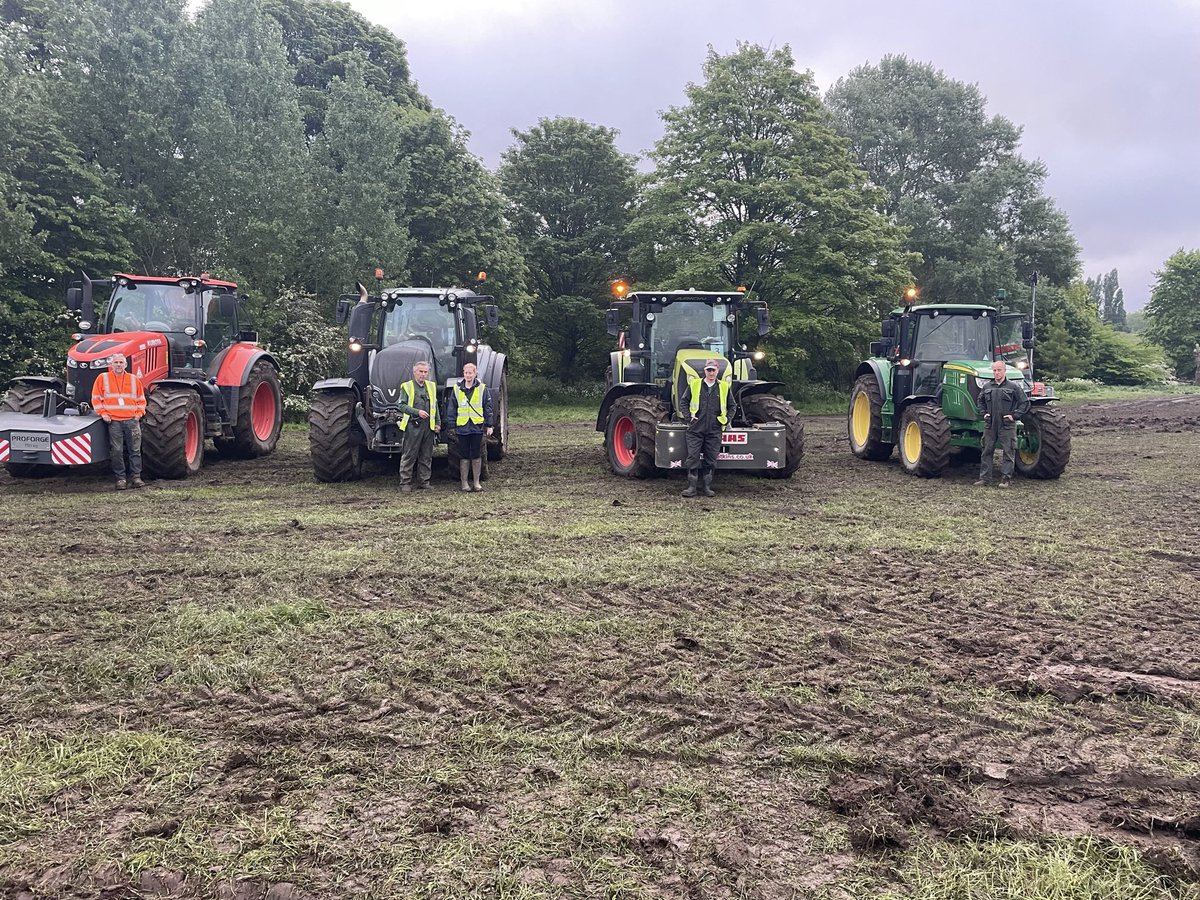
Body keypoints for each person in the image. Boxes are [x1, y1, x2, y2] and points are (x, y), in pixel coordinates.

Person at [91, 354, 146, 490]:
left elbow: (141, 399)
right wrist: (103, 413)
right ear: (111, 364)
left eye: (121, 362)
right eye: (116, 362)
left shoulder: (134, 379)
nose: (118, 365)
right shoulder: (102, 378)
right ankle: (121, 479)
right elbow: (96, 398)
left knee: (135, 450)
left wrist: (139, 414)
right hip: (114, 421)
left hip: (132, 421)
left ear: (125, 365)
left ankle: (136, 477)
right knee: (117, 451)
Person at [975, 359, 1031, 488]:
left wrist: (1014, 415)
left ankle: (1005, 479)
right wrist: (984, 413)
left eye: (999, 370)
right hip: (990, 424)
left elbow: (1025, 403)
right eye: (994, 370)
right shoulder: (987, 387)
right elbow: (980, 401)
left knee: (1008, 451)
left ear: (1004, 371)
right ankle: (985, 478)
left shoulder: (1013, 387)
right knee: (987, 451)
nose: (996, 373)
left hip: (1006, 424)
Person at [682, 358, 729, 498]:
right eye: (708, 370)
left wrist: (726, 419)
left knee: (711, 459)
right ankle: (691, 488)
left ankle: (707, 488)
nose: (711, 373)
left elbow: (732, 406)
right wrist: (688, 417)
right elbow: (684, 401)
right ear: (705, 371)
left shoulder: (724, 387)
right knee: (692, 457)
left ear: (717, 371)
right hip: (695, 429)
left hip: (714, 429)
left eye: (713, 370)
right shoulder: (694, 384)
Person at [445, 362, 494, 492]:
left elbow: (488, 408)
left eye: (470, 373)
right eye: (466, 373)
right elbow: (451, 408)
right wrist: (451, 426)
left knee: (476, 454)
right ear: (463, 373)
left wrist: (489, 425)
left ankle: (477, 483)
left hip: (477, 427)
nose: (468, 375)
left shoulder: (482, 389)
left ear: (475, 373)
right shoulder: (456, 389)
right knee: (464, 455)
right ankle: (464, 483)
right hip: (462, 428)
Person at [397, 360, 440, 491]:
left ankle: (424, 481)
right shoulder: (407, 386)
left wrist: (438, 422)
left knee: (426, 455)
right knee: (409, 454)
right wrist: (417, 412)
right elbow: (401, 405)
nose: (423, 374)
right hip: (413, 425)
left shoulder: (431, 386)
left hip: (428, 426)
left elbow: (435, 405)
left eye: (425, 372)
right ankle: (405, 483)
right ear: (414, 372)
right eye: (420, 371)